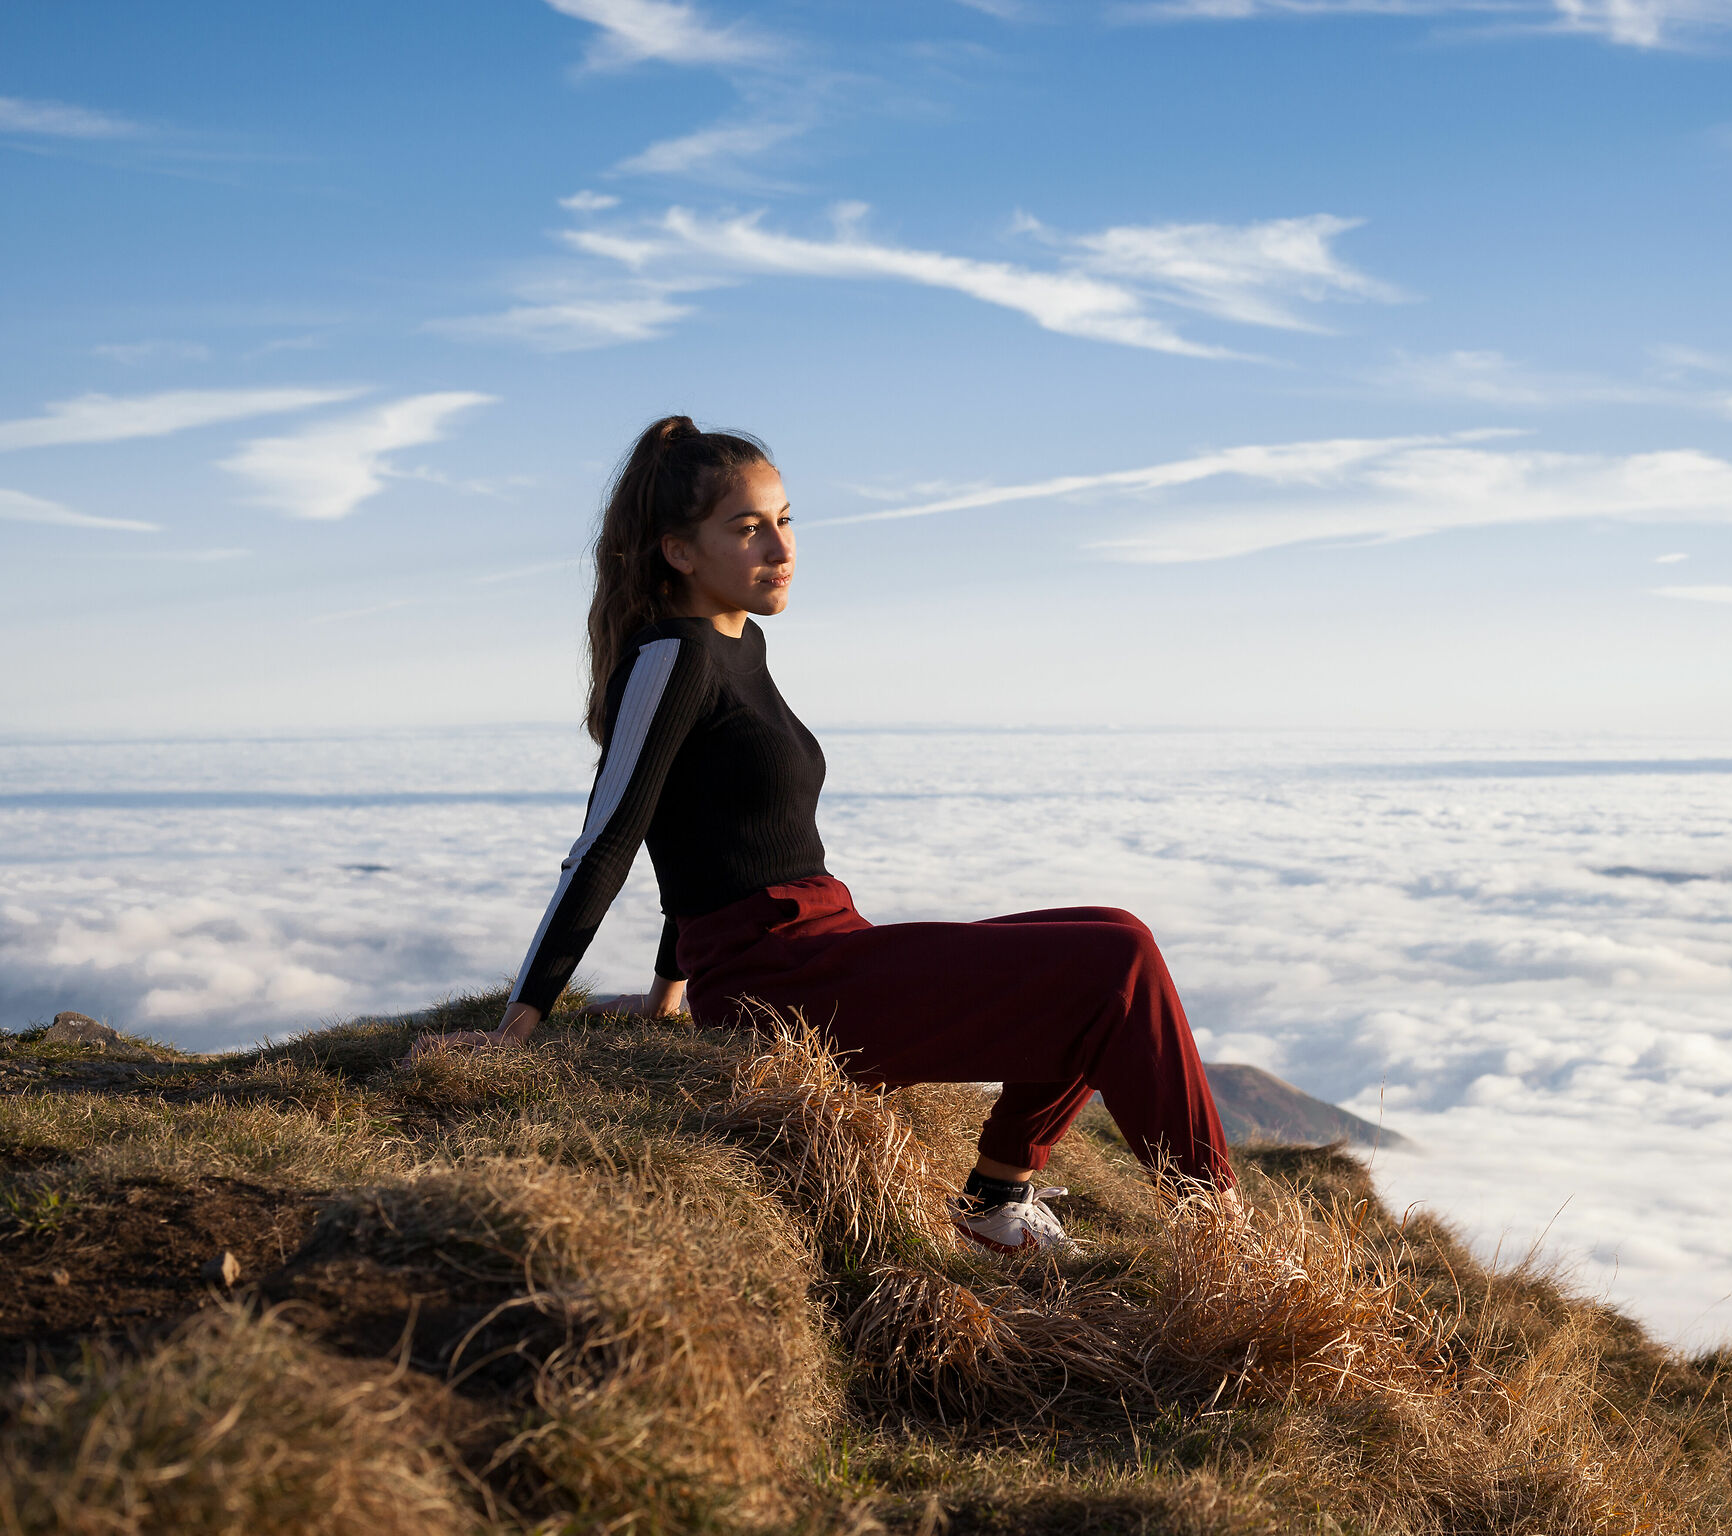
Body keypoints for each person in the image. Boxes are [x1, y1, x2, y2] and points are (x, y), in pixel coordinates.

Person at [407, 417, 1235, 1255]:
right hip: (781, 982)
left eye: (785, 519)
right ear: (679, 553)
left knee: (1114, 932)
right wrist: (519, 1026)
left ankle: (995, 1200)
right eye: (748, 527)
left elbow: (707, 825)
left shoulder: (741, 642)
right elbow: (612, 836)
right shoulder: (672, 657)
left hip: (823, 938)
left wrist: (664, 993)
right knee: (1112, 969)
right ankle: (1226, 1244)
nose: (782, 545)